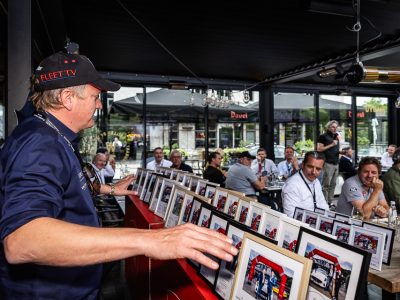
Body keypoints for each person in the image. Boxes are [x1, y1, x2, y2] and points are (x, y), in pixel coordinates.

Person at [0, 52, 237, 299]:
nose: (99, 104)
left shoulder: (51, 134)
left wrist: (109, 189)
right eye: (95, 97)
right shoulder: (40, 144)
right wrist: (150, 240)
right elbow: (22, 241)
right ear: (67, 98)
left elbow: (63, 186)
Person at [282, 151, 329, 218]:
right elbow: (291, 217)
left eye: (318, 169)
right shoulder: (292, 185)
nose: (314, 172)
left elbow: (323, 206)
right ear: (303, 165)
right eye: (310, 167)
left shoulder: (316, 181)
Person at [317, 120, 340, 206]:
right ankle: (324, 202)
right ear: (328, 127)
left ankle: (330, 202)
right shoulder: (323, 136)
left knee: (333, 184)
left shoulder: (336, 137)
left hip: (336, 163)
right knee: (326, 184)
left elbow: (334, 150)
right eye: (333, 127)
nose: (335, 129)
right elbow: (319, 149)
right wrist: (331, 145)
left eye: (336, 127)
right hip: (327, 163)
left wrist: (341, 153)